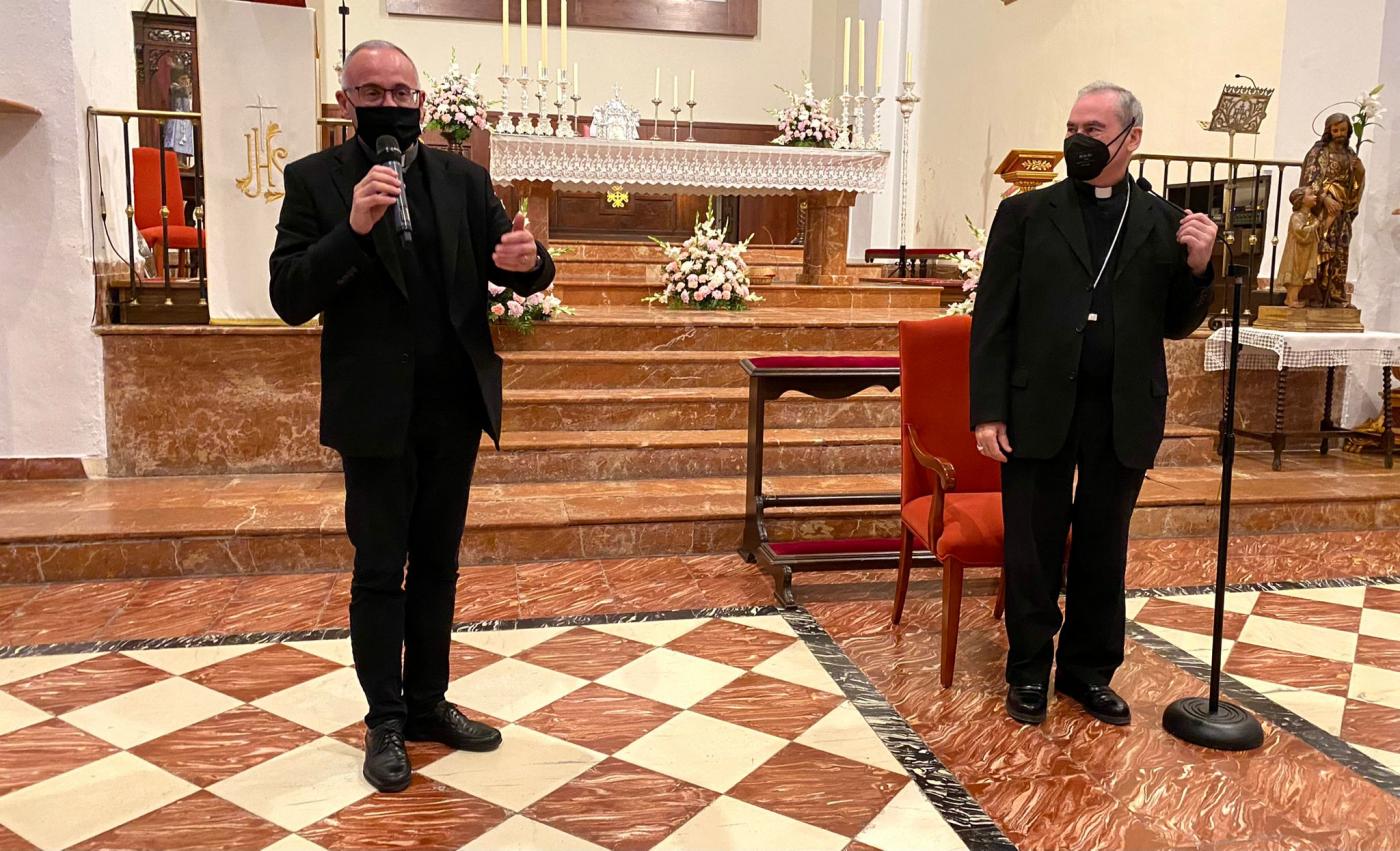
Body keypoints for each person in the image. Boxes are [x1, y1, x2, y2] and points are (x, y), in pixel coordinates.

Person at [269, 40, 555, 792]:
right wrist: (353, 229)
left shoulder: (464, 178)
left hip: (452, 404)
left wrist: (532, 261)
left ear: (422, 102)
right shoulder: (314, 181)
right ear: (345, 104)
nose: (389, 104)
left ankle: (428, 702)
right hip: (373, 412)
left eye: (402, 91)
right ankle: (385, 720)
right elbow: (290, 296)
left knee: (437, 563)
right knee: (378, 568)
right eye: (372, 91)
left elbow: (514, 259)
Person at [969, 82, 1217, 727]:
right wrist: (987, 410)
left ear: (1131, 137)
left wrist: (1198, 268)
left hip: (1122, 410)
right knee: (1033, 545)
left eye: (1093, 127)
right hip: (1036, 410)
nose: (1078, 138)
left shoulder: (1163, 222)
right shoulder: (1026, 215)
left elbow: (1175, 324)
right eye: (1072, 125)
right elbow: (992, 319)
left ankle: (1086, 672)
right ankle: (1027, 671)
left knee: (1105, 548)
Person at [1298, 113, 1366, 307]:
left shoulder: (1351, 154)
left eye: (1343, 130)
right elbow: (1310, 180)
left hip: (1342, 209)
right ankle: (1315, 293)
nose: (1339, 134)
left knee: (1340, 249)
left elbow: (1355, 184)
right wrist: (1324, 198)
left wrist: (1359, 171)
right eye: (1335, 130)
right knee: (1321, 247)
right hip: (1322, 209)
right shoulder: (1319, 152)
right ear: (1328, 131)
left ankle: (1335, 294)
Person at [1278, 187, 1322, 307]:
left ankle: (1294, 298)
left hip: (1306, 252)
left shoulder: (1310, 216)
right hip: (1296, 251)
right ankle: (1291, 299)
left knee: (1302, 273)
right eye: (1311, 194)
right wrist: (1315, 225)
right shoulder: (1296, 216)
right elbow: (1300, 231)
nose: (1315, 197)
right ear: (1302, 200)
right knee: (1295, 272)